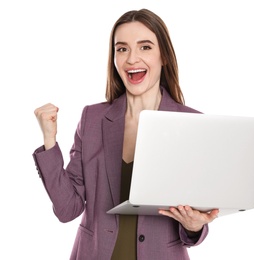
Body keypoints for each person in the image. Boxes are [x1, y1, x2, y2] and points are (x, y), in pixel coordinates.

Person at [32, 8, 219, 260]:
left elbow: (196, 217)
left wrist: (195, 225)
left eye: (145, 47)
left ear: (163, 55)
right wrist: (49, 141)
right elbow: (68, 209)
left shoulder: (191, 123)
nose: (132, 59)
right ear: (114, 58)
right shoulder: (92, 119)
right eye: (122, 49)